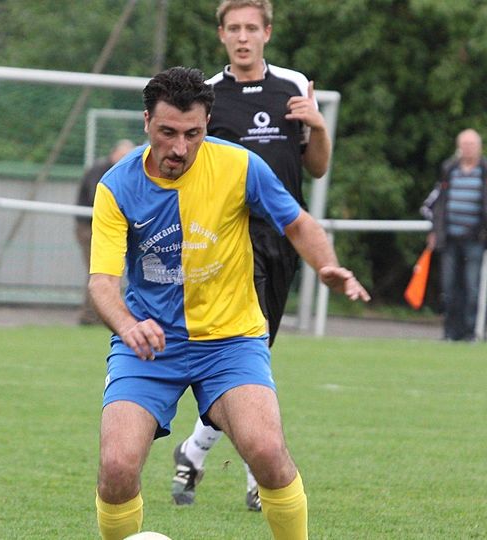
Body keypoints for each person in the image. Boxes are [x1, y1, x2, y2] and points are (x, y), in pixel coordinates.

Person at [90, 66, 369, 540]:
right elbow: (102, 282)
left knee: (267, 452)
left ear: (207, 125)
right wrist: (127, 324)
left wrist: (326, 265)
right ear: (146, 123)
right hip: (149, 347)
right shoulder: (117, 186)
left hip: (230, 341)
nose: (179, 147)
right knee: (116, 468)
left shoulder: (239, 166)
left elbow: (298, 223)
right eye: (168, 133)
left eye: (193, 134)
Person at [172, 0, 334, 510]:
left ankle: (195, 450)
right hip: (232, 240)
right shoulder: (210, 97)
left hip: (284, 239)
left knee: (256, 355)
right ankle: (256, 478)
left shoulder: (292, 85)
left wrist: (320, 127)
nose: (243, 37)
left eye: (251, 28)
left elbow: (318, 169)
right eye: (234, 29)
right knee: (251, 353)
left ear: (267, 32)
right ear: (221, 35)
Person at [421, 128, 487, 342]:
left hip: (475, 239)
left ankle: (470, 333)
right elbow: (438, 203)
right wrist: (436, 230)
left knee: (472, 288)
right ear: (459, 147)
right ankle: (450, 333)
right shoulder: (449, 169)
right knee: (449, 288)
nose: (468, 149)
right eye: (465, 144)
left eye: (472, 145)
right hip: (449, 238)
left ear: (479, 147)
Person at [75, 139, 135, 325]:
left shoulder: (118, 171)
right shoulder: (104, 172)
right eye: (124, 155)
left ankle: (97, 314)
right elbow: (101, 196)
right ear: (115, 153)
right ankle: (91, 315)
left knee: (105, 272)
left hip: (104, 227)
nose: (127, 159)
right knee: (100, 272)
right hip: (90, 227)